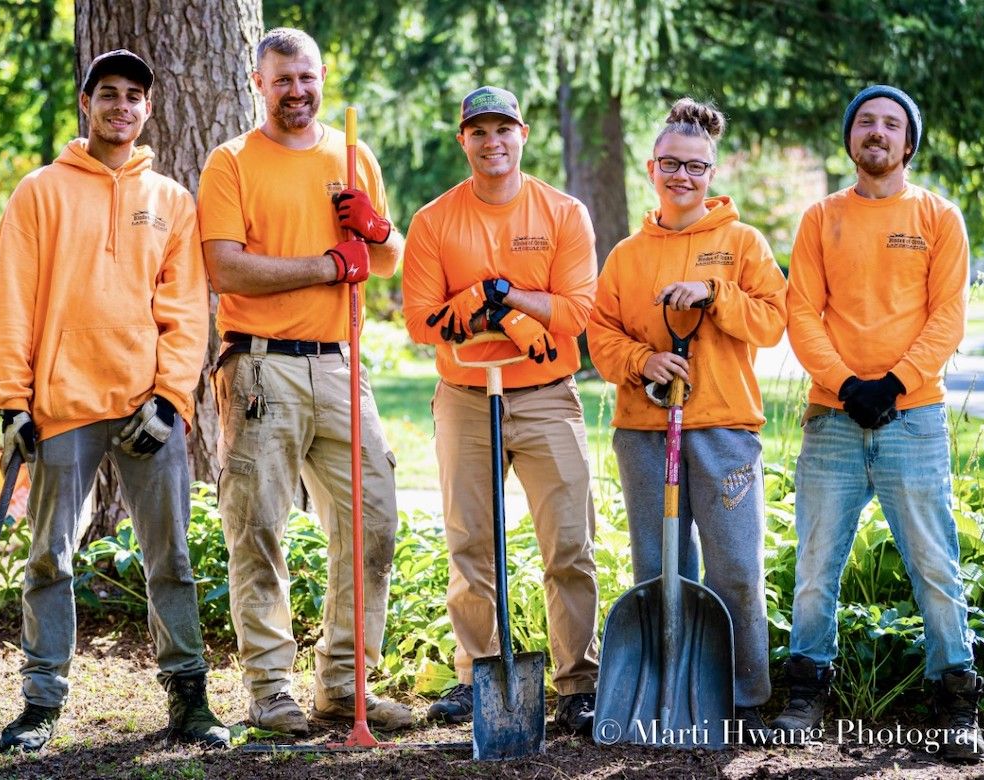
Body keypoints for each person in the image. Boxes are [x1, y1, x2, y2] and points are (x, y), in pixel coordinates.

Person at [0, 49, 228, 752]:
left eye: (134, 97)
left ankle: (188, 700)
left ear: (148, 110)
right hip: (62, 404)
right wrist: (13, 401)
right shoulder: (39, 192)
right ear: (85, 102)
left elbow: (186, 313)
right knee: (51, 559)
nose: (122, 106)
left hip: (147, 408)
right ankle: (41, 703)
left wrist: (170, 397)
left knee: (170, 559)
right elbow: (12, 302)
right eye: (109, 94)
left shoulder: (172, 201)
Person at [195, 28, 410, 736]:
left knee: (373, 516)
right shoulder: (231, 163)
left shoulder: (352, 155)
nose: (298, 91)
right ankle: (270, 689)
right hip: (261, 366)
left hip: (342, 365)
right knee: (258, 527)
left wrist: (375, 230)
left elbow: (385, 260)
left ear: (323, 77)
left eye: (308, 78)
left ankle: (346, 684)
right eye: (283, 80)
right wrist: (326, 264)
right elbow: (225, 268)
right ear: (259, 83)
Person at [772, 85, 984, 761]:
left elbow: (948, 316)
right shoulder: (820, 219)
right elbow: (800, 311)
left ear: (908, 143)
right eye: (866, 121)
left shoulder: (937, 216)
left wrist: (893, 384)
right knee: (814, 565)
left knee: (935, 564)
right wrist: (844, 384)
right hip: (832, 421)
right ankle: (805, 689)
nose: (878, 132)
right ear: (850, 137)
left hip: (915, 419)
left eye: (892, 124)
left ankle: (955, 700)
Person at [402, 85, 600, 735]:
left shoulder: (563, 213)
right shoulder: (435, 221)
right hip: (464, 399)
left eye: (503, 129)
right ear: (463, 140)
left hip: (547, 398)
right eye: (479, 131)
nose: (493, 142)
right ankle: (476, 674)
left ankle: (578, 682)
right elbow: (421, 321)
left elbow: (575, 313)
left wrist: (502, 301)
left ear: (524, 134)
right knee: (471, 544)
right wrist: (509, 312)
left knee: (568, 544)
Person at [587, 98, 786, 741]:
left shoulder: (741, 243)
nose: (683, 176)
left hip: (725, 428)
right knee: (660, 563)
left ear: (711, 171)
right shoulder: (626, 256)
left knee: (735, 568)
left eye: (696, 166)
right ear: (652, 168)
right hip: (646, 432)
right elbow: (602, 336)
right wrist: (646, 361)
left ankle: (746, 697)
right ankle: (667, 693)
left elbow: (772, 320)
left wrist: (716, 293)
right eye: (671, 164)